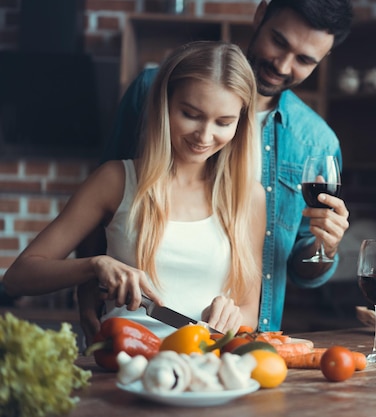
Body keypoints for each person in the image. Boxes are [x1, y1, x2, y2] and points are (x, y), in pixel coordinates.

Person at [78, 0, 354, 338]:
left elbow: (302, 270)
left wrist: (325, 246)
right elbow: (101, 205)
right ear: (260, 15)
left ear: (323, 59)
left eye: (304, 60)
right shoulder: (152, 90)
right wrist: (87, 281)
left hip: (237, 342)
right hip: (127, 332)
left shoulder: (317, 143)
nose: (282, 65)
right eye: (279, 42)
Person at [4, 41, 266, 338]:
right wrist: (95, 266)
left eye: (223, 122)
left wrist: (233, 316)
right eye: (191, 115)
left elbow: (248, 310)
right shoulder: (115, 180)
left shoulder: (249, 197)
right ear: (164, 105)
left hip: (205, 367)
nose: (205, 136)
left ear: (240, 124)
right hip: (122, 363)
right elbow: (18, 277)